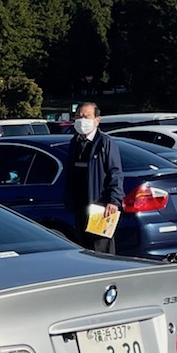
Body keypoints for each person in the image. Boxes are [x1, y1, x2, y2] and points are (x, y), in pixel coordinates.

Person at [66, 101, 126, 253]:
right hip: (80, 206)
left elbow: (115, 172)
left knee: (101, 248)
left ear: (97, 120)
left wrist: (114, 200)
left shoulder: (105, 143)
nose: (82, 120)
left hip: (100, 206)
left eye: (86, 117)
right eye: (79, 117)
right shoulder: (74, 143)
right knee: (84, 248)